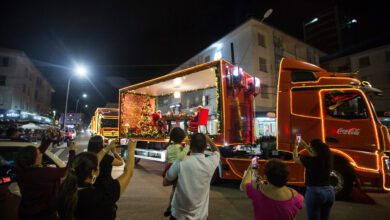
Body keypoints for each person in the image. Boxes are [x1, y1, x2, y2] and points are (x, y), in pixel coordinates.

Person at [58, 138, 137, 220]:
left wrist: (107, 148)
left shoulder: (65, 191)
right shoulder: (103, 195)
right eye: (98, 166)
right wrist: (131, 149)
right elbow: (128, 172)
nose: (98, 166)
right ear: (93, 173)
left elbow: (89, 164)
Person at [15, 134, 76, 220]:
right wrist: (72, 152)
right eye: (39, 153)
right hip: (44, 215)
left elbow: (38, 151)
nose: (41, 154)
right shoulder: (42, 173)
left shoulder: (22, 171)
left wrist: (49, 140)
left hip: (25, 213)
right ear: (34, 158)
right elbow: (67, 171)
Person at [163, 133, 219, 220]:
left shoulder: (181, 162)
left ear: (190, 146)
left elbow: (165, 182)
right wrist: (208, 139)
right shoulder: (211, 162)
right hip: (201, 216)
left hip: (178, 215)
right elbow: (216, 152)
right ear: (205, 146)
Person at [293, 139, 335, 220]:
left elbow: (295, 158)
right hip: (329, 192)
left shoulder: (309, 161)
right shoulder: (327, 158)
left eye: (310, 146)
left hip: (315, 193)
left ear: (313, 149)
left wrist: (296, 146)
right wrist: (305, 145)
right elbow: (314, 154)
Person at [163, 127, 190, 217]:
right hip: (177, 169)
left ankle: (170, 206)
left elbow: (166, 158)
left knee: (174, 189)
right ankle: (172, 207)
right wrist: (187, 147)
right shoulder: (180, 148)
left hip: (169, 168)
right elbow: (181, 158)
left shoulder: (169, 147)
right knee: (177, 190)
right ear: (182, 138)